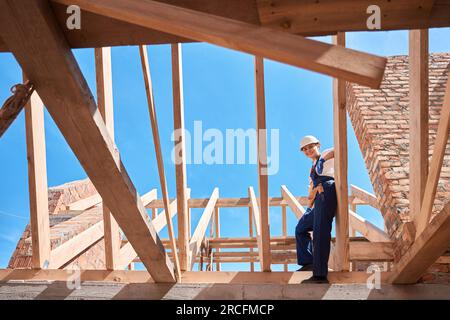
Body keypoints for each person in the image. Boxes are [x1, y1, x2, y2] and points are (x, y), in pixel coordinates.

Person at [295, 135, 337, 284]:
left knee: (320, 231)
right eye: (305, 150)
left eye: (310, 147)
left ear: (317, 145)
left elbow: (339, 149)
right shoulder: (311, 170)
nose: (308, 151)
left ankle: (319, 275)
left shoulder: (326, 154)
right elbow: (310, 193)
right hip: (317, 197)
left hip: (327, 190)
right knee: (300, 228)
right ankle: (308, 263)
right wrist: (308, 206)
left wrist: (323, 158)